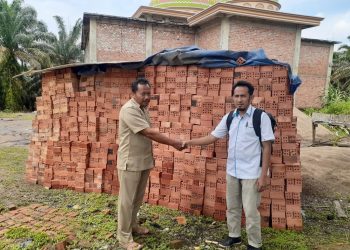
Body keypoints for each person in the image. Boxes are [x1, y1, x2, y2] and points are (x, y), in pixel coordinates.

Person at [184, 80, 274, 250]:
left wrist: (263, 176)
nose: (239, 99)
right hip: (232, 171)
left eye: (243, 96)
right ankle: (234, 236)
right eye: (236, 96)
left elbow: (267, 147)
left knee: (250, 211)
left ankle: (255, 244)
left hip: (252, 173)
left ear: (251, 97)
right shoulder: (230, 117)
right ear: (233, 97)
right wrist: (188, 142)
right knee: (232, 207)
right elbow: (212, 137)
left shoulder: (260, 117)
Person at [117, 78, 184, 250]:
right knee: (126, 201)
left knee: (137, 199)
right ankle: (124, 237)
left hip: (143, 161)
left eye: (149, 93)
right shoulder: (129, 110)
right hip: (130, 162)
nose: (147, 97)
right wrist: (174, 142)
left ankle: (133, 226)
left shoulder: (142, 109)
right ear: (133, 93)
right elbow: (149, 133)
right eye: (143, 94)